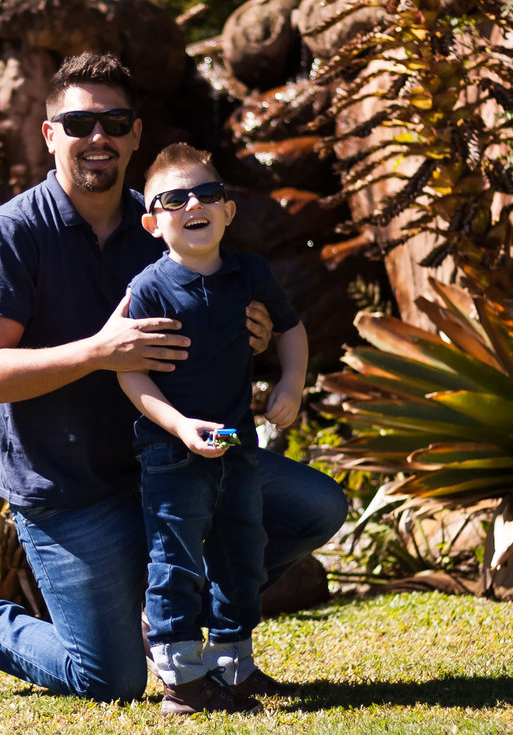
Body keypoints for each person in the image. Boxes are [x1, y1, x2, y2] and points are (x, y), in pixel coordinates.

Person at [0, 52, 347, 707]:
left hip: (171, 464)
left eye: (114, 121)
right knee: (108, 680)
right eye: (79, 123)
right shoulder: (10, 234)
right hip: (69, 489)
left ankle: (180, 622)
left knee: (315, 506)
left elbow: (232, 312)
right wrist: (96, 351)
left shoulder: (168, 223)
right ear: (50, 134)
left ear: (137, 133)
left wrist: (248, 333)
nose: (98, 137)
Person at [120, 143, 309, 715]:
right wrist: (177, 426)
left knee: (241, 551)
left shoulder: (249, 273)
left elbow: (291, 329)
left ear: (228, 210)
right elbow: (130, 375)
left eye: (206, 193)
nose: (192, 204)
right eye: (173, 199)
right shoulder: (149, 288)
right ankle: (179, 676)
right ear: (153, 223)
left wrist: (291, 384)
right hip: (172, 452)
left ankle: (233, 666)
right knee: (175, 557)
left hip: (237, 445)